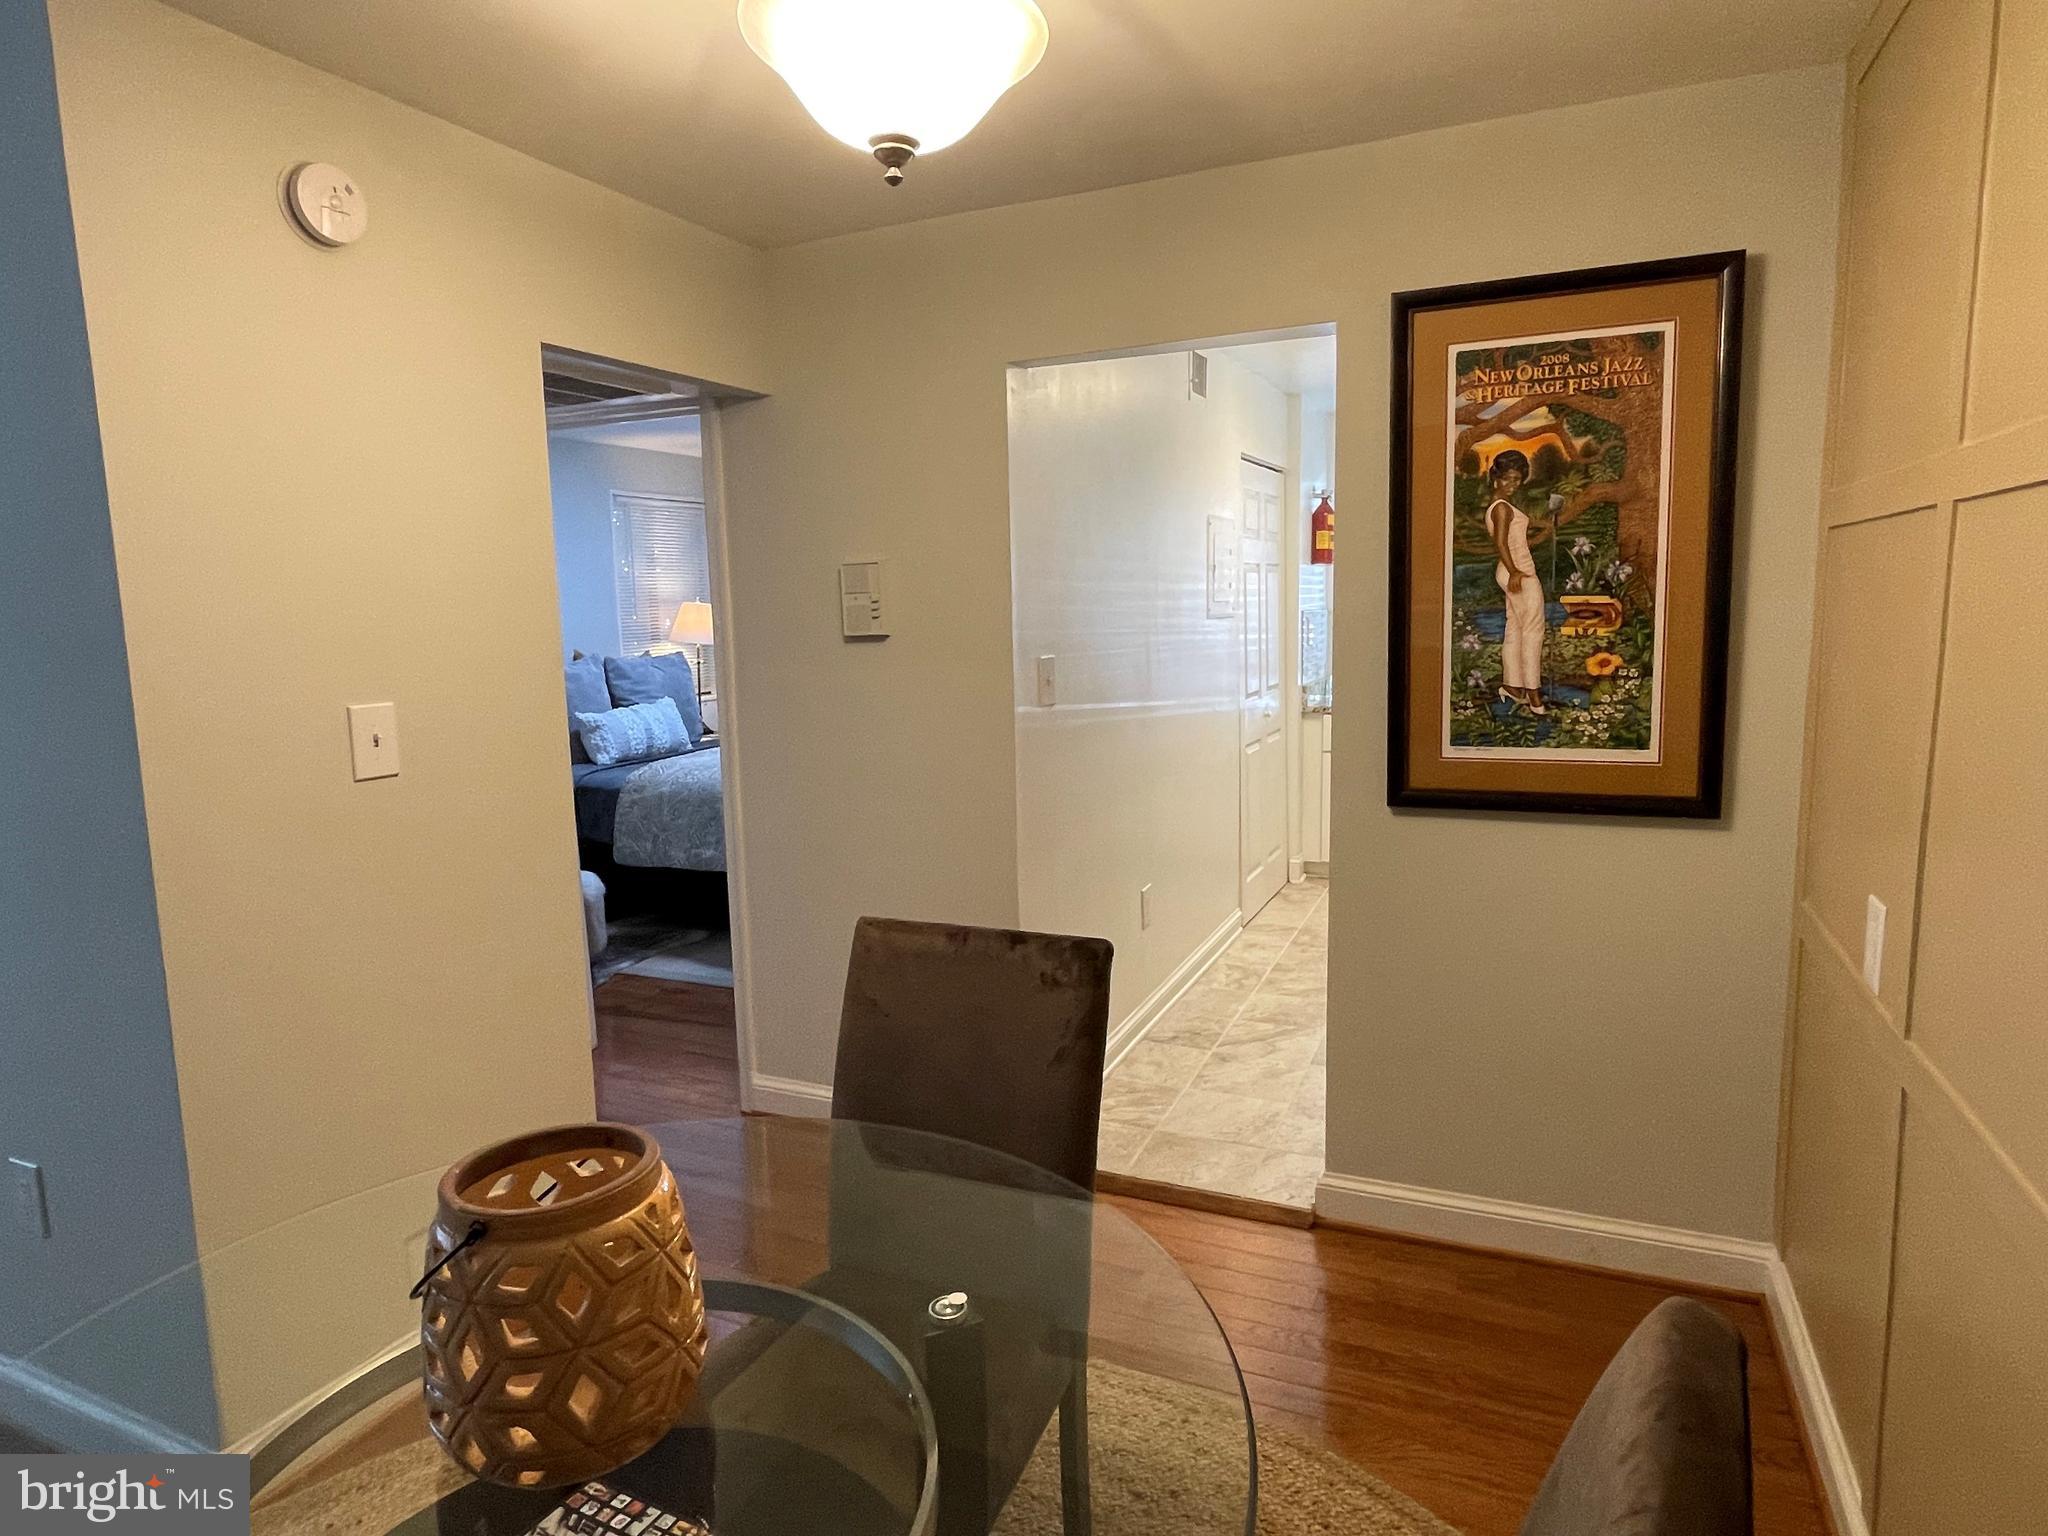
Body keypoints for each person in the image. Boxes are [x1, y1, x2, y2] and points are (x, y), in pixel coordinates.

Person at [1486, 450, 1546, 714]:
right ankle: (1534, 697)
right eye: (1508, 478)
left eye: (1518, 479)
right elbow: (1500, 542)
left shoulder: (1501, 505)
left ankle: (1512, 686)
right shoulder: (1501, 508)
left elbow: (1514, 538)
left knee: (1515, 628)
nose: (1513, 484)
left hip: (1513, 570)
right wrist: (1514, 573)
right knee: (1533, 631)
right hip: (1518, 572)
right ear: (1496, 476)